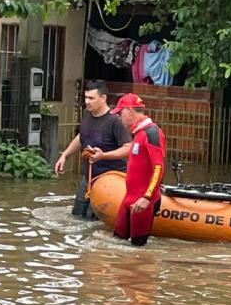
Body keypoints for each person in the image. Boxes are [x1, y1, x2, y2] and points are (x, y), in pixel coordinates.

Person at [90, 93, 166, 246]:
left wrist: (146, 198)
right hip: (129, 198)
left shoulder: (151, 133)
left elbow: (159, 167)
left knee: (138, 250)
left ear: (130, 111)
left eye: (120, 112)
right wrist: (103, 156)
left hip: (143, 201)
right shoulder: (138, 133)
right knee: (117, 244)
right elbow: (134, 155)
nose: (118, 117)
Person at [54, 80, 132, 220]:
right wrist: (64, 155)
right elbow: (81, 137)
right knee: (77, 215)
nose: (87, 102)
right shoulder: (86, 114)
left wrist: (103, 156)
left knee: (93, 219)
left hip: (110, 180)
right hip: (89, 177)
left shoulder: (115, 120)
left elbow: (128, 148)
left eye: (91, 98)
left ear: (103, 98)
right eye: (86, 98)